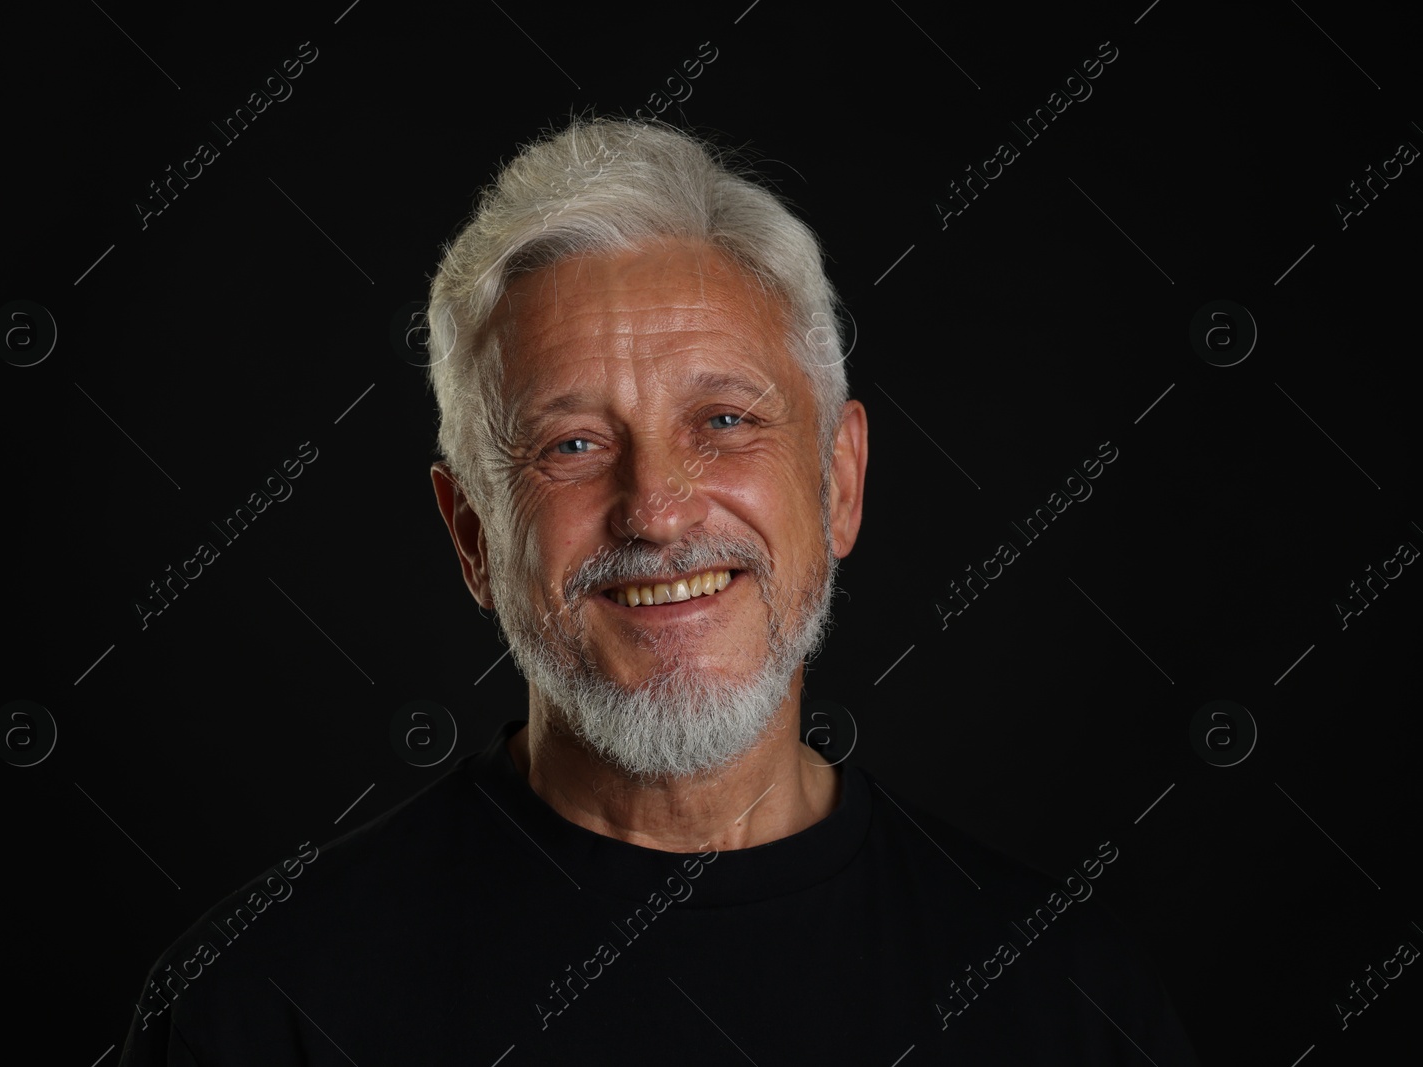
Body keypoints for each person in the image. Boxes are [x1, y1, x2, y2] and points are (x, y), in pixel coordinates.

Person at [119, 116, 1200, 1065]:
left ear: (838, 482)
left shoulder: (1064, 994)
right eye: (572, 443)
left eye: (723, 421)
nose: (657, 508)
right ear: (471, 535)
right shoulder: (264, 1007)